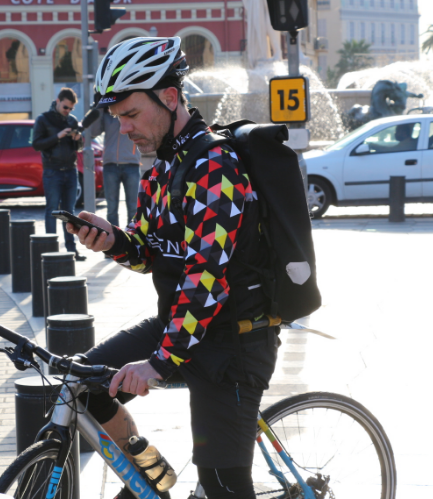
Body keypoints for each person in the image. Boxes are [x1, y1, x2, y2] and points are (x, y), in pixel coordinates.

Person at [67, 37, 279, 499]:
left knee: (222, 484)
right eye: (117, 118)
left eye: (129, 115)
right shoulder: (162, 166)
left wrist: (159, 363)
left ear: (167, 97)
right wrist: (113, 240)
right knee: (81, 385)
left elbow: (205, 277)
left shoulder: (215, 167)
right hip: (183, 326)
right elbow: (149, 251)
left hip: (233, 342)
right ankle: (152, 476)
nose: (123, 129)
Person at [32, 87, 86, 261]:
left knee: (68, 212)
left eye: (71, 109)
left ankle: (72, 251)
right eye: (65, 107)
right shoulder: (43, 119)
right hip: (52, 171)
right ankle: (51, 250)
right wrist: (58, 136)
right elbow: (37, 144)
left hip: (70, 170)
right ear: (58, 101)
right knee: (52, 211)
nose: (68, 111)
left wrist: (78, 140)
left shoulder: (72, 120)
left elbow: (79, 147)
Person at [82, 106, 142, 228]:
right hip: (110, 165)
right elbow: (93, 132)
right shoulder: (106, 114)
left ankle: (133, 237)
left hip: (132, 164)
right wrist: (98, 109)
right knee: (112, 208)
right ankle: (115, 239)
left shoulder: (131, 109)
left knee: (133, 207)